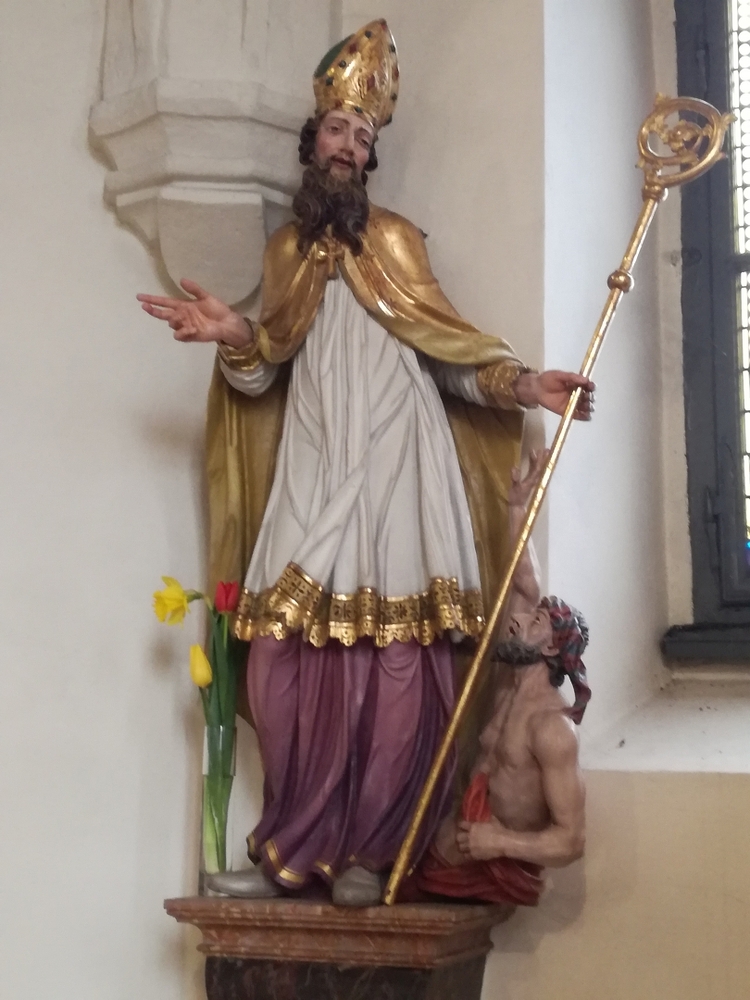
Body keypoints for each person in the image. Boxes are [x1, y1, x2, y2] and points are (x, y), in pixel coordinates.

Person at [137, 21, 594, 907]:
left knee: (396, 664)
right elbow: (265, 366)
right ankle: (290, 847)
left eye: (363, 135)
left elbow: (449, 352)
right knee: (278, 657)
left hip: (398, 466)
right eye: (339, 129)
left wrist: (522, 383)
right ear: (313, 140)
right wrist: (234, 337)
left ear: (371, 154)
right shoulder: (284, 252)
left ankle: (374, 852)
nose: (349, 145)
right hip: (314, 468)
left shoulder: (395, 241)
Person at [416, 450, 588, 906]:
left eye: (535, 623)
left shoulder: (552, 729)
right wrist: (517, 508)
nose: (517, 621)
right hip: (453, 844)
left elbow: (571, 839)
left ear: (550, 648)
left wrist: (500, 843)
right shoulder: (509, 684)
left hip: (493, 863)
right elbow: (522, 581)